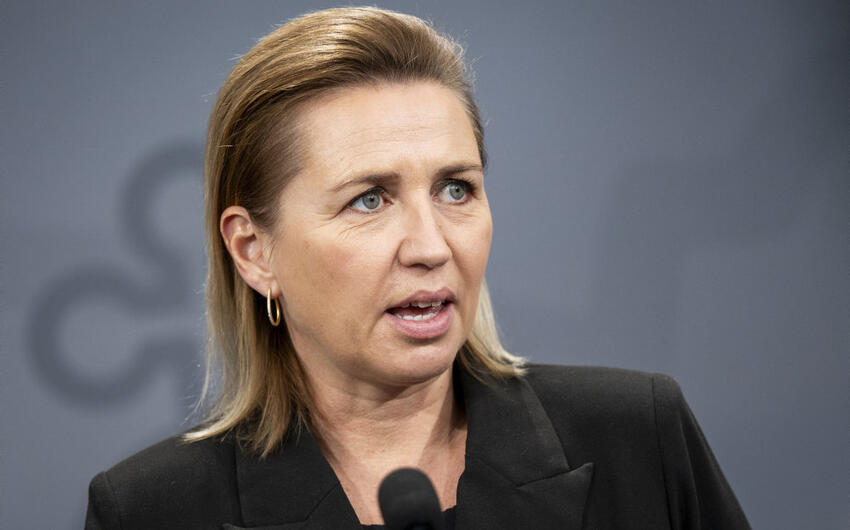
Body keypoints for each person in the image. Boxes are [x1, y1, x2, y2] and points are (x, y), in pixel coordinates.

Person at [85, 7, 750, 529]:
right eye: (369, 200)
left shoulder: (637, 436)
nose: (431, 246)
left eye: (455, 189)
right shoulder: (152, 511)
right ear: (254, 251)